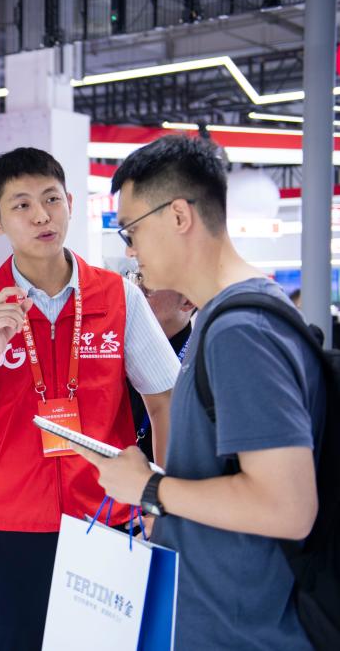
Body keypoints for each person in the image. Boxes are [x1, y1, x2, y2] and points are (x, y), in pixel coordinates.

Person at [71, 134, 324, 650]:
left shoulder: (240, 331)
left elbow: (289, 506)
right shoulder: (232, 318)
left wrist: (149, 488)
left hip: (241, 632)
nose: (130, 250)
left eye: (131, 230)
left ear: (178, 216)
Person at [0, 147, 180, 649]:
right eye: (21, 205)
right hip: (8, 531)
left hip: (105, 523)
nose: (41, 216)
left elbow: (165, 401)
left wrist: (162, 497)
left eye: (51, 199)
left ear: (69, 202)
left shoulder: (118, 296)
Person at [123, 271, 195, 463]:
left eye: (148, 288)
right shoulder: (114, 349)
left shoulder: (199, 366)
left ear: (188, 301)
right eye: (135, 279)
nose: (135, 291)